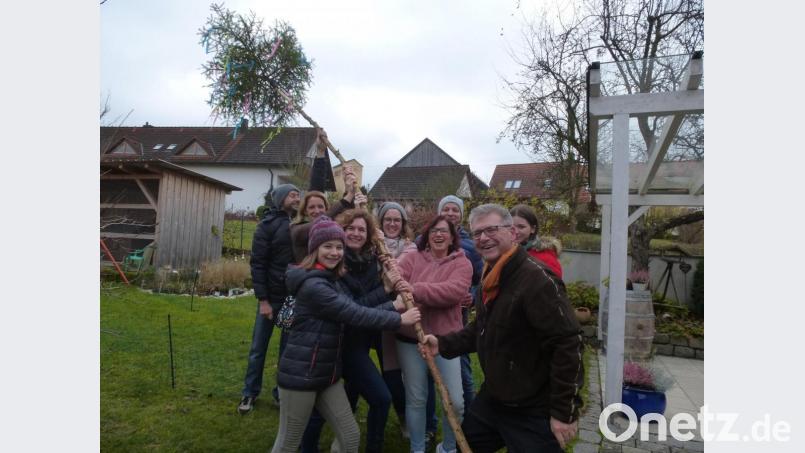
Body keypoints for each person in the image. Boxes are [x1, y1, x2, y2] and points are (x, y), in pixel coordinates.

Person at [420, 204, 584, 453]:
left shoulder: (537, 281)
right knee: (468, 446)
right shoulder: (493, 275)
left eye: (491, 230)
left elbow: (568, 344)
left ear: (512, 233)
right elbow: (484, 328)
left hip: (532, 408)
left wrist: (564, 412)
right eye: (477, 233)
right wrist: (443, 344)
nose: (484, 238)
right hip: (495, 399)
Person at [271, 217, 421, 453]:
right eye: (327, 246)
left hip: (327, 373)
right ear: (314, 249)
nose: (334, 252)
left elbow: (356, 308)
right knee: (288, 443)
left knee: (350, 436)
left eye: (338, 247)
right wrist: (397, 315)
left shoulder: (330, 278)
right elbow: (354, 313)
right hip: (302, 374)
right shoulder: (316, 286)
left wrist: (387, 288)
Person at [301, 209, 405, 453]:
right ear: (341, 232)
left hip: (359, 342)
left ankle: (348, 445)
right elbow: (352, 310)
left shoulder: (371, 261)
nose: (356, 233)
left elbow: (365, 302)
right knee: (379, 398)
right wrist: (389, 298)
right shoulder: (335, 262)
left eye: (362, 229)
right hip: (339, 345)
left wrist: (389, 283)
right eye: (351, 229)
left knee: (338, 402)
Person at [397, 215, 472, 453]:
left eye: (443, 231)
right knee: (417, 399)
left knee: (455, 402)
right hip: (410, 339)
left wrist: (416, 289)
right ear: (427, 237)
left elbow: (454, 292)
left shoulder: (462, 263)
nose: (438, 235)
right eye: (433, 231)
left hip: (446, 341)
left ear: (452, 237)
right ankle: (417, 448)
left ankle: (448, 448)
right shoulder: (412, 257)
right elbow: (396, 277)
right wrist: (398, 282)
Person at [377, 202, 439, 442]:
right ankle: (404, 416)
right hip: (384, 313)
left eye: (397, 220)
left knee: (422, 372)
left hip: (410, 317)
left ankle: (429, 422)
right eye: (387, 219)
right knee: (391, 372)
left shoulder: (413, 248)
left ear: (403, 224)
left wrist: (389, 259)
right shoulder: (373, 247)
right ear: (381, 223)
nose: (392, 224)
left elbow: (403, 273)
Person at [238, 182, 301, 414]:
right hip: (272, 300)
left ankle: (280, 394)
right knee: (258, 348)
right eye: (292, 195)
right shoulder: (267, 226)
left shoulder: (299, 224)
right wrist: (263, 300)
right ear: (281, 199)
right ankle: (249, 393)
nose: (297, 198)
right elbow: (258, 264)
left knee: (287, 351)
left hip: (291, 300)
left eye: (298, 195)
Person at [437, 195, 482, 415]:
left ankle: (470, 415)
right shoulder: (424, 239)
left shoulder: (471, 246)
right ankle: (430, 423)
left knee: (462, 368)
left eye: (455, 210)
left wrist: (473, 295)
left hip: (458, 319)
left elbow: (482, 279)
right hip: (430, 315)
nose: (451, 213)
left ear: (461, 215)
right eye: (446, 209)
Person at [509, 204, 563, 279]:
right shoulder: (504, 253)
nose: (515, 231)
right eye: (511, 227)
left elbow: (553, 288)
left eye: (521, 227)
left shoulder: (546, 258)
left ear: (533, 229)